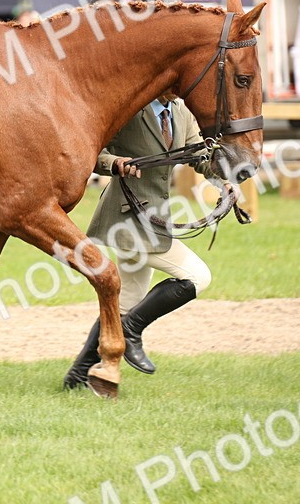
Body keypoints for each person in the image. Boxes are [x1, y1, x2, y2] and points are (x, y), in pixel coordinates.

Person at [63, 92, 214, 390]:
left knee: (125, 302)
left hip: (152, 220)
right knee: (197, 277)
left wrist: (229, 172)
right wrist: (115, 163)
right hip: (126, 219)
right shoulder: (131, 107)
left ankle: (78, 376)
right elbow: (92, 153)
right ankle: (131, 331)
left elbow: (201, 157)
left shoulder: (180, 112)